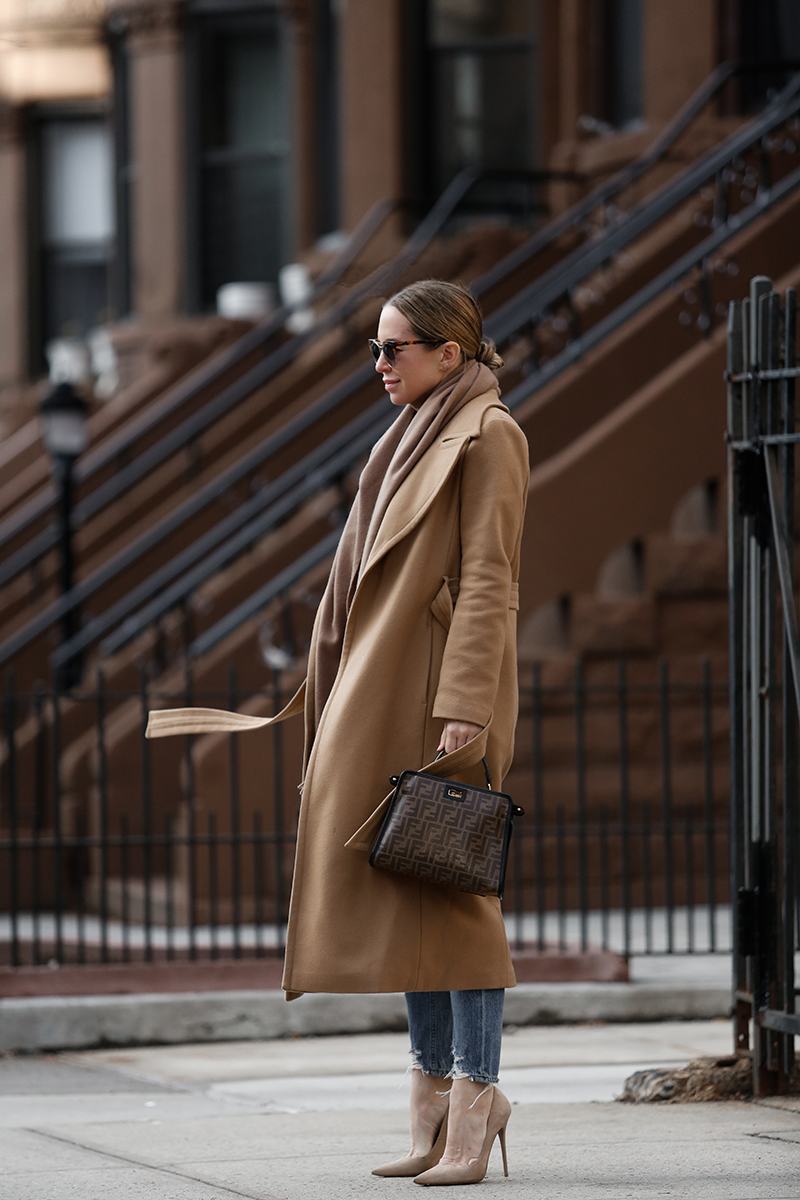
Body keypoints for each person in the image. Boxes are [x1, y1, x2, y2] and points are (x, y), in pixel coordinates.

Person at [146, 279, 529, 1185]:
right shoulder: (399, 440)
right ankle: (431, 1107)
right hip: (381, 692)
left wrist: (465, 703)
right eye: (375, 349)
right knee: (409, 890)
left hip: (440, 700)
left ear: (452, 354)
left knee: (458, 896)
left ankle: (478, 1101)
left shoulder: (490, 435)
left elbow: (489, 579)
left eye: (397, 349)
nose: (381, 365)